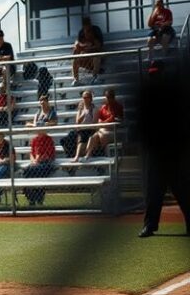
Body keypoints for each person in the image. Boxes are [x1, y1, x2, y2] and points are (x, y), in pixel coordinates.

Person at [137, 59, 190, 237]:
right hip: (155, 153)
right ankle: (150, 225)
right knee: (153, 191)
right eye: (152, 75)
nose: (154, 78)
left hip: (174, 153)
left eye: (157, 75)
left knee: (183, 190)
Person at [81, 88, 124, 161]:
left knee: (102, 135)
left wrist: (103, 123)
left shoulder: (118, 106)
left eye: (109, 97)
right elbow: (99, 118)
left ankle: (104, 155)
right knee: (92, 137)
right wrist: (103, 123)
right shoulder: (104, 107)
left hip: (113, 130)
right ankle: (87, 155)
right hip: (103, 130)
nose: (107, 99)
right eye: (107, 97)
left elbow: (112, 118)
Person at [23, 127, 57, 206]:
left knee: (35, 173)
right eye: (38, 129)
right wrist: (34, 160)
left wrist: (38, 160)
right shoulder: (35, 139)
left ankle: (37, 199)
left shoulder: (48, 139)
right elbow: (31, 153)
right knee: (28, 174)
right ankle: (32, 199)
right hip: (35, 164)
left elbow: (48, 156)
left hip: (46, 163)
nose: (39, 131)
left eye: (41, 129)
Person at [72, 16, 104, 86]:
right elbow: (77, 46)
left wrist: (89, 48)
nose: (87, 33)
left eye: (88, 30)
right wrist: (82, 46)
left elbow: (99, 47)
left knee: (96, 57)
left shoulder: (96, 30)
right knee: (75, 58)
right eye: (85, 29)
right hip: (85, 57)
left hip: (95, 57)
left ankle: (95, 77)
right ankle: (76, 79)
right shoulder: (81, 33)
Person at [68, 91, 96, 162]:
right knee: (80, 139)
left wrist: (89, 112)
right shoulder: (80, 109)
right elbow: (77, 121)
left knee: (90, 137)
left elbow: (94, 122)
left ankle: (86, 155)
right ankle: (76, 157)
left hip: (91, 129)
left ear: (91, 98)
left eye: (87, 97)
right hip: (82, 129)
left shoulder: (94, 108)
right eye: (84, 97)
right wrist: (83, 114)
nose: (85, 99)